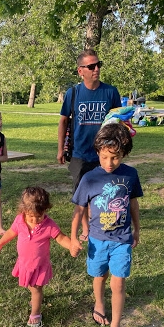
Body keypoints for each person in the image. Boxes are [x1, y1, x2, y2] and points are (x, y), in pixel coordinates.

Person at [70, 123, 143, 327]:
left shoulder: (131, 175)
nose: (109, 163)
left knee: (118, 283)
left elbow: (133, 204)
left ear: (124, 154)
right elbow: (79, 209)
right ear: (98, 153)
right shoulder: (89, 178)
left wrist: (137, 229)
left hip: (122, 239)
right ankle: (99, 304)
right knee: (99, 276)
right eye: (104, 157)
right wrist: (74, 236)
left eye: (115, 158)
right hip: (97, 240)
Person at [58, 49, 121, 241]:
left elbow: (118, 120)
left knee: (105, 193)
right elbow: (63, 121)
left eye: (98, 65)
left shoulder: (110, 91)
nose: (96, 69)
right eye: (91, 66)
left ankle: (102, 225)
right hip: (80, 153)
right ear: (80, 71)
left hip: (105, 153)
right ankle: (86, 230)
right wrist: (60, 149)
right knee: (82, 195)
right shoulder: (73, 93)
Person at [0, 187, 71, 327]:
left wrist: (71, 245)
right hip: (25, 263)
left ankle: (36, 313)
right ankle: (36, 298)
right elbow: (11, 232)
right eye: (31, 216)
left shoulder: (49, 225)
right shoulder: (19, 221)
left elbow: (61, 238)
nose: (35, 220)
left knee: (35, 288)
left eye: (39, 216)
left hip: (39, 266)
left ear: (45, 210)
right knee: (31, 286)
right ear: (23, 211)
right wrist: (0, 243)